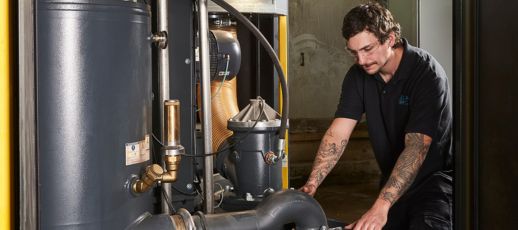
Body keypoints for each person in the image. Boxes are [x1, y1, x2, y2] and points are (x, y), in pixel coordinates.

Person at [299, 2, 453, 230]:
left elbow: (416, 148)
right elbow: (338, 132)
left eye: (367, 49)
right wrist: (312, 184)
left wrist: (380, 207)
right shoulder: (358, 76)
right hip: (392, 185)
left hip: (435, 186)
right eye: (354, 52)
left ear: (390, 39)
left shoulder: (426, 74)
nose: (361, 60)